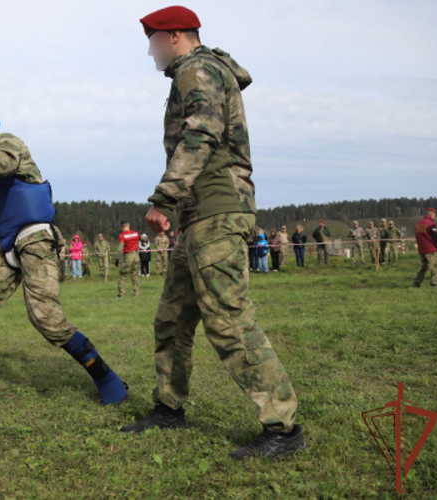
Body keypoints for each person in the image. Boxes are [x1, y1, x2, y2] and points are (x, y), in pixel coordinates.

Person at [125, 6, 304, 460]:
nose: (150, 52)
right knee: (172, 318)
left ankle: (282, 427)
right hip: (198, 215)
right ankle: (169, 407)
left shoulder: (197, 69)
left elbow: (201, 135)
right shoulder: (197, 70)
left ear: (175, 36)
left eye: (153, 41)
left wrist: (164, 197)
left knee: (229, 320)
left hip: (216, 213)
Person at [0, 104, 128, 407]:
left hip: (37, 240)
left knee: (47, 319)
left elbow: (2, 165)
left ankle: (107, 379)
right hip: (8, 244)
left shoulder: (8, 143)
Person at [413, 208, 437, 287]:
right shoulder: (430, 224)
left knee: (424, 266)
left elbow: (417, 237)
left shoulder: (418, 224)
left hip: (422, 249)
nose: (434, 217)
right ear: (431, 215)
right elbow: (435, 237)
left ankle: (417, 282)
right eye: (434, 215)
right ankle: (434, 283)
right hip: (430, 249)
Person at [117, 221, 140, 298]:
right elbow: (143, 238)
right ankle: (136, 294)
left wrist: (117, 259)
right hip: (136, 256)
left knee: (122, 275)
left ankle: (122, 294)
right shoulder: (135, 233)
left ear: (121, 227)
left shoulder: (122, 235)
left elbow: (120, 248)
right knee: (135, 275)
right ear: (129, 225)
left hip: (128, 256)